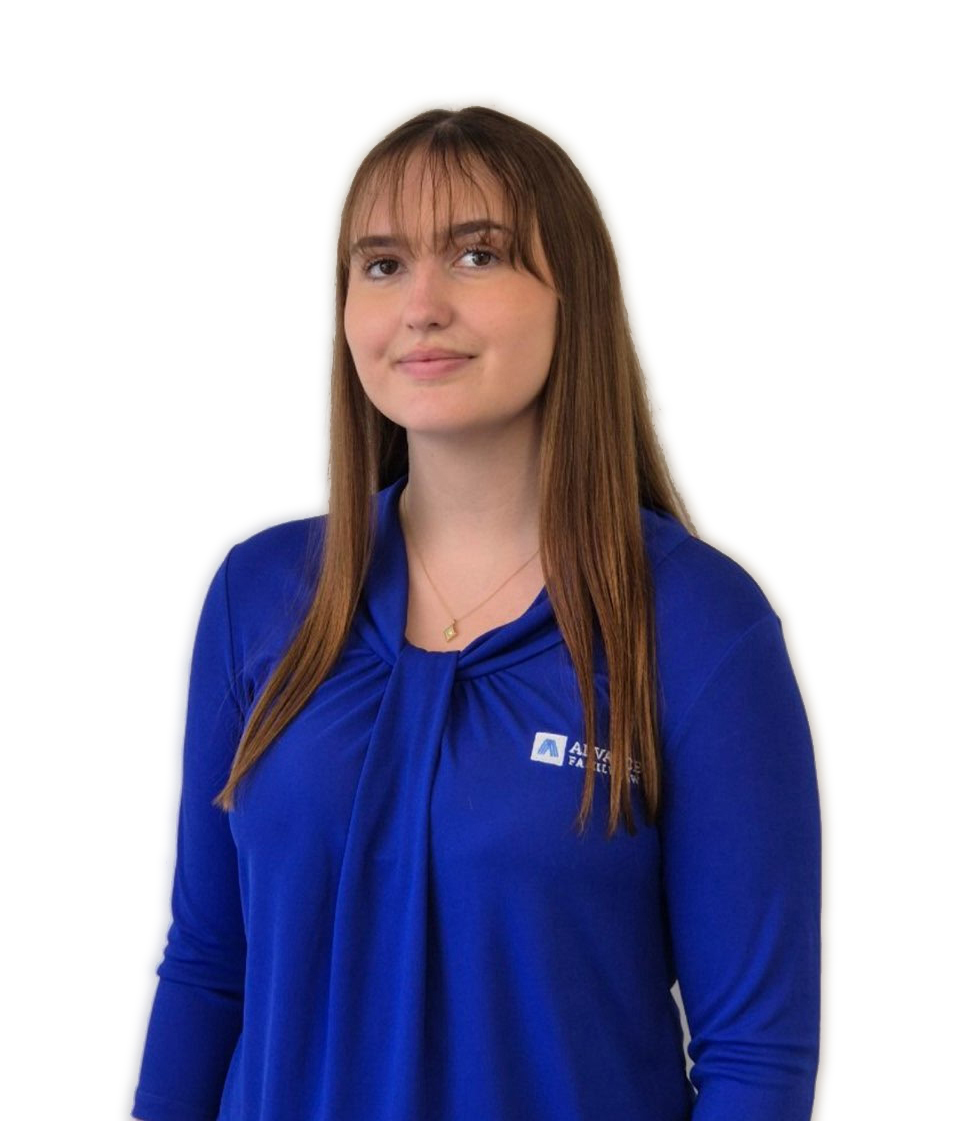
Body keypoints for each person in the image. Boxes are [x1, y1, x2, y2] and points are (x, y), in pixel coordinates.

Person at [132, 107, 821, 1121]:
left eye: (476, 254)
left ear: (571, 293)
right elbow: (207, 968)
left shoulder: (699, 628)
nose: (421, 305)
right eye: (382, 264)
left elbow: (754, 1056)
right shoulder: (262, 594)